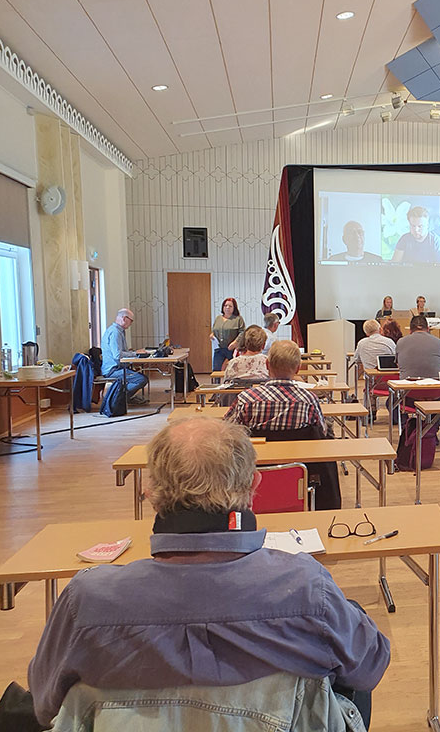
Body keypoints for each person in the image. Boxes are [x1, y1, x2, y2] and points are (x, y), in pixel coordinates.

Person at [27, 416, 390, 729]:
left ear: (150, 493)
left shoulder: (86, 599)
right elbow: (369, 666)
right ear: (254, 485)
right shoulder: (305, 587)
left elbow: (44, 706)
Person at [225, 340, 340, 509]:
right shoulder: (308, 400)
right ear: (298, 368)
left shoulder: (246, 399)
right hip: (300, 472)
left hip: (252, 471)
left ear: (267, 365)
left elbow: (227, 433)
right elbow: (321, 433)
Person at [99, 308, 148, 402]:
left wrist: (135, 353)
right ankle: (116, 398)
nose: (131, 323)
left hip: (117, 367)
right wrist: (135, 353)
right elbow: (117, 355)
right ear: (125, 318)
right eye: (131, 321)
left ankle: (123, 398)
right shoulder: (115, 332)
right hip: (113, 370)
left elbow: (121, 352)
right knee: (141, 379)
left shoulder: (119, 331)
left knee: (140, 377)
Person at [395, 314, 440, 380]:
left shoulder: (400, 342)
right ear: (428, 329)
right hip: (435, 385)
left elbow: (399, 365)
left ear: (410, 330)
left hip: (407, 385)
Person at [211, 297, 246, 372]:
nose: (227, 308)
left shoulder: (238, 319)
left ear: (234, 308)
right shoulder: (218, 318)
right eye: (225, 305)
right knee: (216, 369)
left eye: (230, 306)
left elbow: (242, 332)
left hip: (231, 348)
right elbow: (214, 329)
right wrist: (212, 335)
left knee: (232, 369)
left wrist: (235, 342)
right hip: (219, 349)